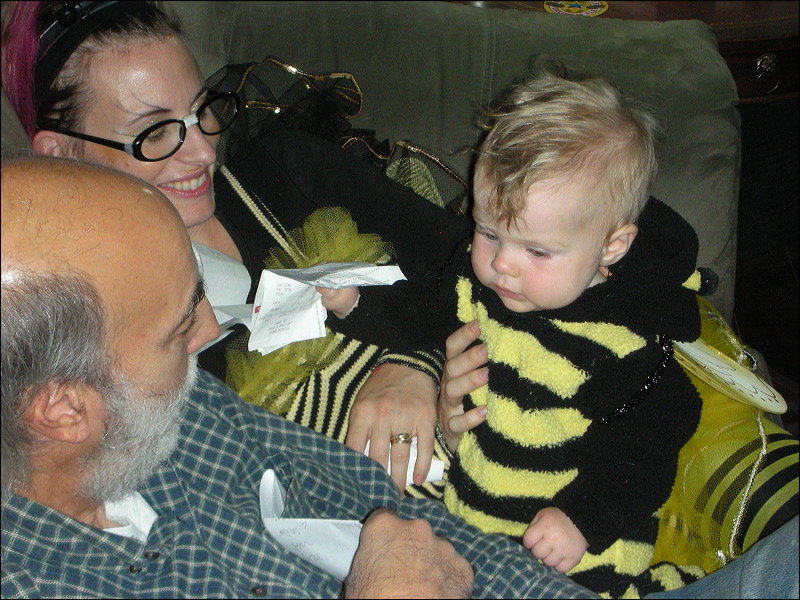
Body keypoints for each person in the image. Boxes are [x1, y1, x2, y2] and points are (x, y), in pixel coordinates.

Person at [2, 156, 798, 600]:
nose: (213, 334)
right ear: (65, 410)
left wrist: (414, 365)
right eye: (182, 329)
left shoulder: (178, 418)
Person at [0, 0, 472, 494]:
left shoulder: (290, 173)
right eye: (155, 133)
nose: (204, 151)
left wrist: (416, 363)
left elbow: (496, 275)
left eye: (200, 110)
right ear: (60, 154)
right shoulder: (107, 343)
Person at [325, 70, 707, 597]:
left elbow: (647, 448)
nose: (502, 264)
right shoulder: (482, 284)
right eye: (488, 232)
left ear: (611, 246)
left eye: (537, 251)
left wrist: (583, 519)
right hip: (476, 521)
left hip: (581, 553)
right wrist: (360, 305)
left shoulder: (623, 343)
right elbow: (426, 316)